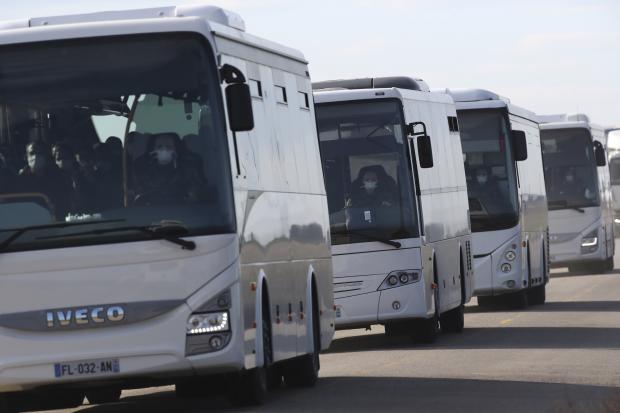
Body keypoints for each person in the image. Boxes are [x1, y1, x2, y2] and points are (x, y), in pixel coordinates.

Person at [132, 132, 206, 205]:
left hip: (182, 211)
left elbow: (196, 193)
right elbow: (140, 193)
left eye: (169, 146)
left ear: (176, 148)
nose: (164, 150)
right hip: (151, 211)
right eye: (159, 147)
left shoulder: (189, 165)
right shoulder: (142, 166)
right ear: (153, 149)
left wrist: (177, 168)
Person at [17, 141, 73, 219]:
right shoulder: (20, 180)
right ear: (26, 156)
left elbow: (64, 203)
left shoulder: (57, 177)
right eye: (32, 153)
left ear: (45, 156)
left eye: (39, 153)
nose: (35, 156)